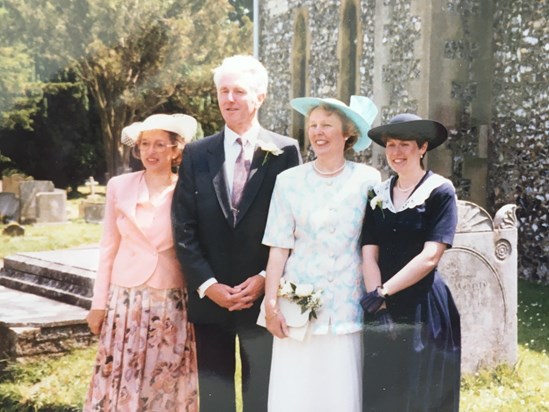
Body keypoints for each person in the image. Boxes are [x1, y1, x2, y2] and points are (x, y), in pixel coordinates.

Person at [172, 55, 301, 412]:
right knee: (215, 400)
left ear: (260, 96)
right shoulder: (197, 153)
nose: (229, 99)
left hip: (261, 298)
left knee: (262, 395)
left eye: (239, 91)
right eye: (223, 91)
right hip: (210, 300)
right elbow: (183, 227)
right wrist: (207, 285)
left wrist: (264, 279)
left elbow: (295, 225)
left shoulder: (285, 151)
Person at [262, 96, 381, 412]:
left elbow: (373, 245)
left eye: (327, 125)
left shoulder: (368, 180)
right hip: (300, 307)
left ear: (347, 134)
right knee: (298, 391)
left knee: (340, 391)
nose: (318, 132)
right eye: (313, 125)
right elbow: (278, 247)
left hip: (346, 304)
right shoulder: (288, 181)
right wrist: (270, 303)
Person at [84, 113, 199, 412]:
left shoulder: (187, 189)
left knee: (163, 378)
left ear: (176, 150)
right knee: (124, 374)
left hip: (169, 299)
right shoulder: (119, 186)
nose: (151, 152)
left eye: (160, 144)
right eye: (145, 144)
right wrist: (98, 304)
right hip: (126, 301)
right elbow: (108, 247)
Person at [360, 113, 461, 411]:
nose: (396, 152)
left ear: (422, 148)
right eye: (391, 145)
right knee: (383, 389)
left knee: (420, 390)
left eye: (405, 144)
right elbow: (369, 253)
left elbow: (430, 256)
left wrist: (383, 292)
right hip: (380, 303)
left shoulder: (440, 191)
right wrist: (378, 304)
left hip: (423, 304)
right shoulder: (377, 194)